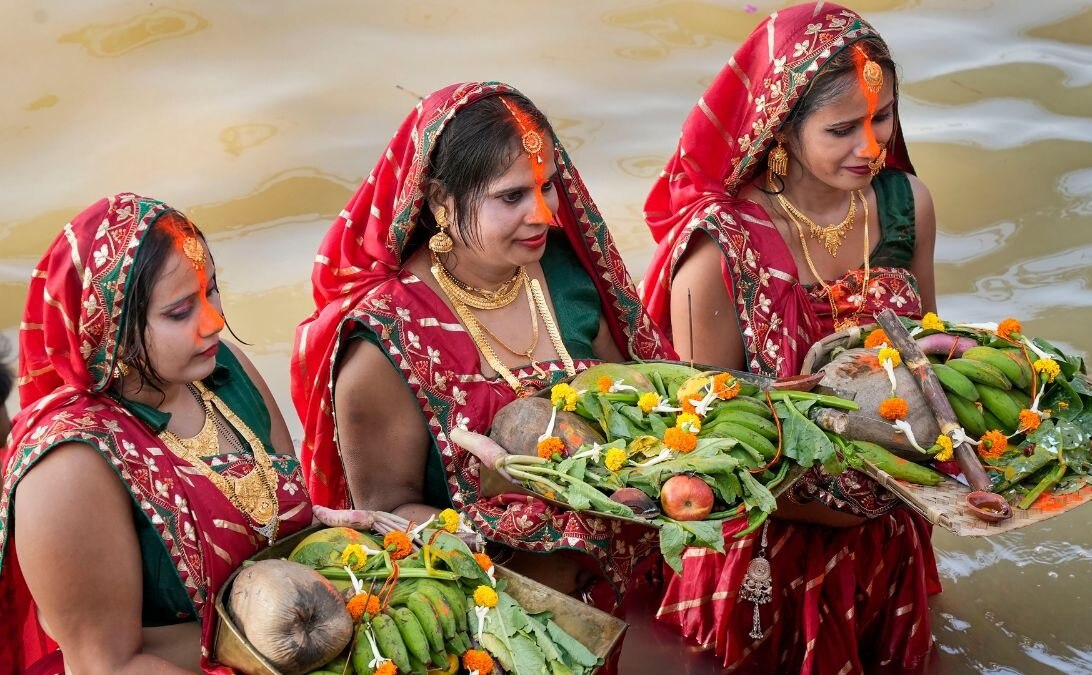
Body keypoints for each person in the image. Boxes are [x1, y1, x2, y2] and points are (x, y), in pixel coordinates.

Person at [291, 82, 674, 608]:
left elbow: (641, 401)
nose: (542, 213)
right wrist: (507, 524)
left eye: (549, 186)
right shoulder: (387, 337)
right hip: (499, 615)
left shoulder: (567, 273)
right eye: (512, 196)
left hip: (624, 585)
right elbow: (386, 515)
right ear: (441, 203)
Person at [640, 4, 941, 673]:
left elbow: (925, 360)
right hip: (765, 552)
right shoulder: (720, 255)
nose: (871, 146)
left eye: (883, 116)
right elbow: (709, 445)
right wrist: (830, 500)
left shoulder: (904, 206)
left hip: (891, 522)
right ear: (782, 129)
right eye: (842, 129)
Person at [0, 194, 313, 673]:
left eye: (212, 292)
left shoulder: (222, 371)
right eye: (180, 311)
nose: (214, 323)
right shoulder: (69, 467)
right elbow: (107, 666)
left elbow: (301, 535)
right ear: (111, 328)